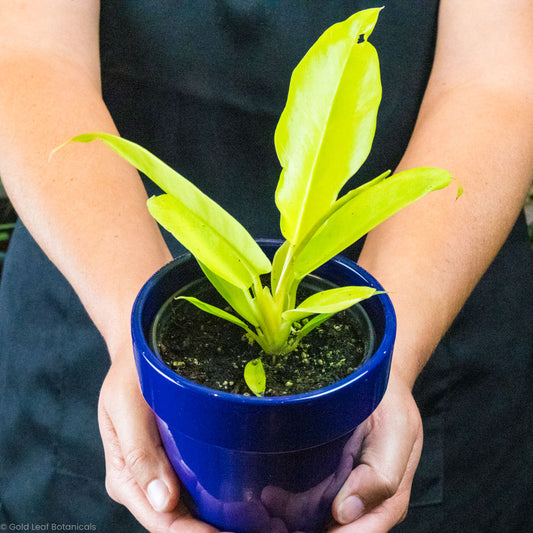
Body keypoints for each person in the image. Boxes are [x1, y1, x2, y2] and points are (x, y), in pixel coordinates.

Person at [0, 1, 531, 532]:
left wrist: (387, 363)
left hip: (431, 297)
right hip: (98, 281)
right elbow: (30, 55)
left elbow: (493, 75)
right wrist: (133, 334)